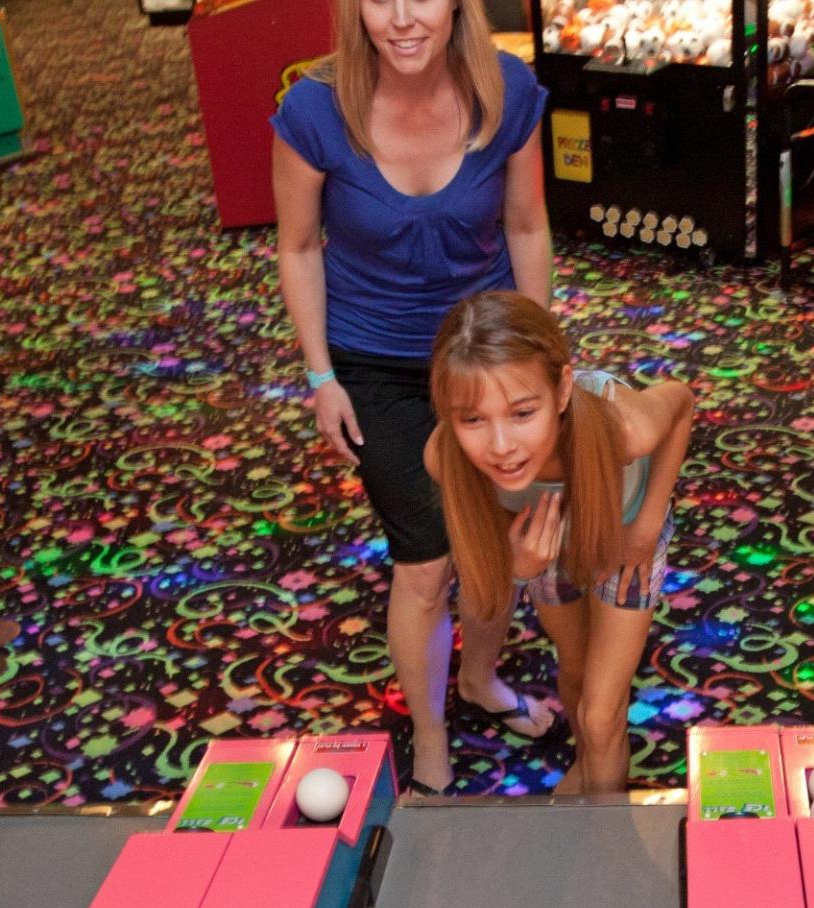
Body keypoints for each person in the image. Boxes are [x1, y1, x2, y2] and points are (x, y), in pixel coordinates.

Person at [271, 0, 554, 794]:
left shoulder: (506, 89)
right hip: (376, 365)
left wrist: (538, 363)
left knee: (492, 545)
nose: (400, 17)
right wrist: (321, 376)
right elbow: (298, 247)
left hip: (485, 358)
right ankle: (430, 732)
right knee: (426, 563)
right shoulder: (314, 110)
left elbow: (527, 227)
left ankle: (481, 680)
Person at [424, 292, 696, 795]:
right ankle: (588, 761)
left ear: (563, 390)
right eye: (473, 419)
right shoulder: (446, 459)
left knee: (600, 713)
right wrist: (518, 567)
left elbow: (680, 403)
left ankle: (604, 821)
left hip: (624, 528)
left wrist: (646, 525)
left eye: (522, 413)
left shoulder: (623, 429)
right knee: (574, 666)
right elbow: (488, 572)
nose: (501, 447)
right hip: (543, 531)